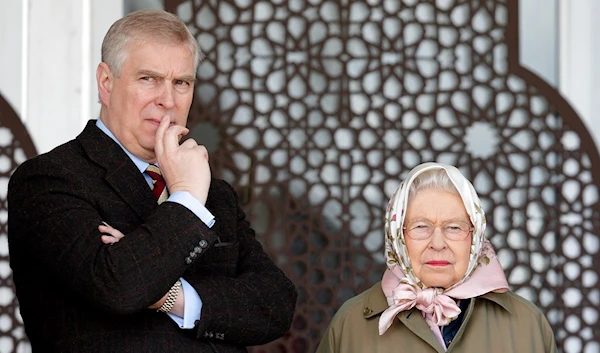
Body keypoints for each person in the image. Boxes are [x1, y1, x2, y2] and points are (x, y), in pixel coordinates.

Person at [8, 9, 297, 352]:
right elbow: (119, 285)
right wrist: (187, 201)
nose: (168, 100)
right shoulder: (49, 180)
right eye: (148, 78)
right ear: (106, 83)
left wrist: (173, 296)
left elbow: (276, 304)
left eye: (181, 83)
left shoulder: (214, 193)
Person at [316, 162, 557, 352]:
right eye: (421, 227)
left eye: (454, 227)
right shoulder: (352, 323)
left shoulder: (528, 324)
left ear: (475, 238)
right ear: (398, 236)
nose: (438, 244)